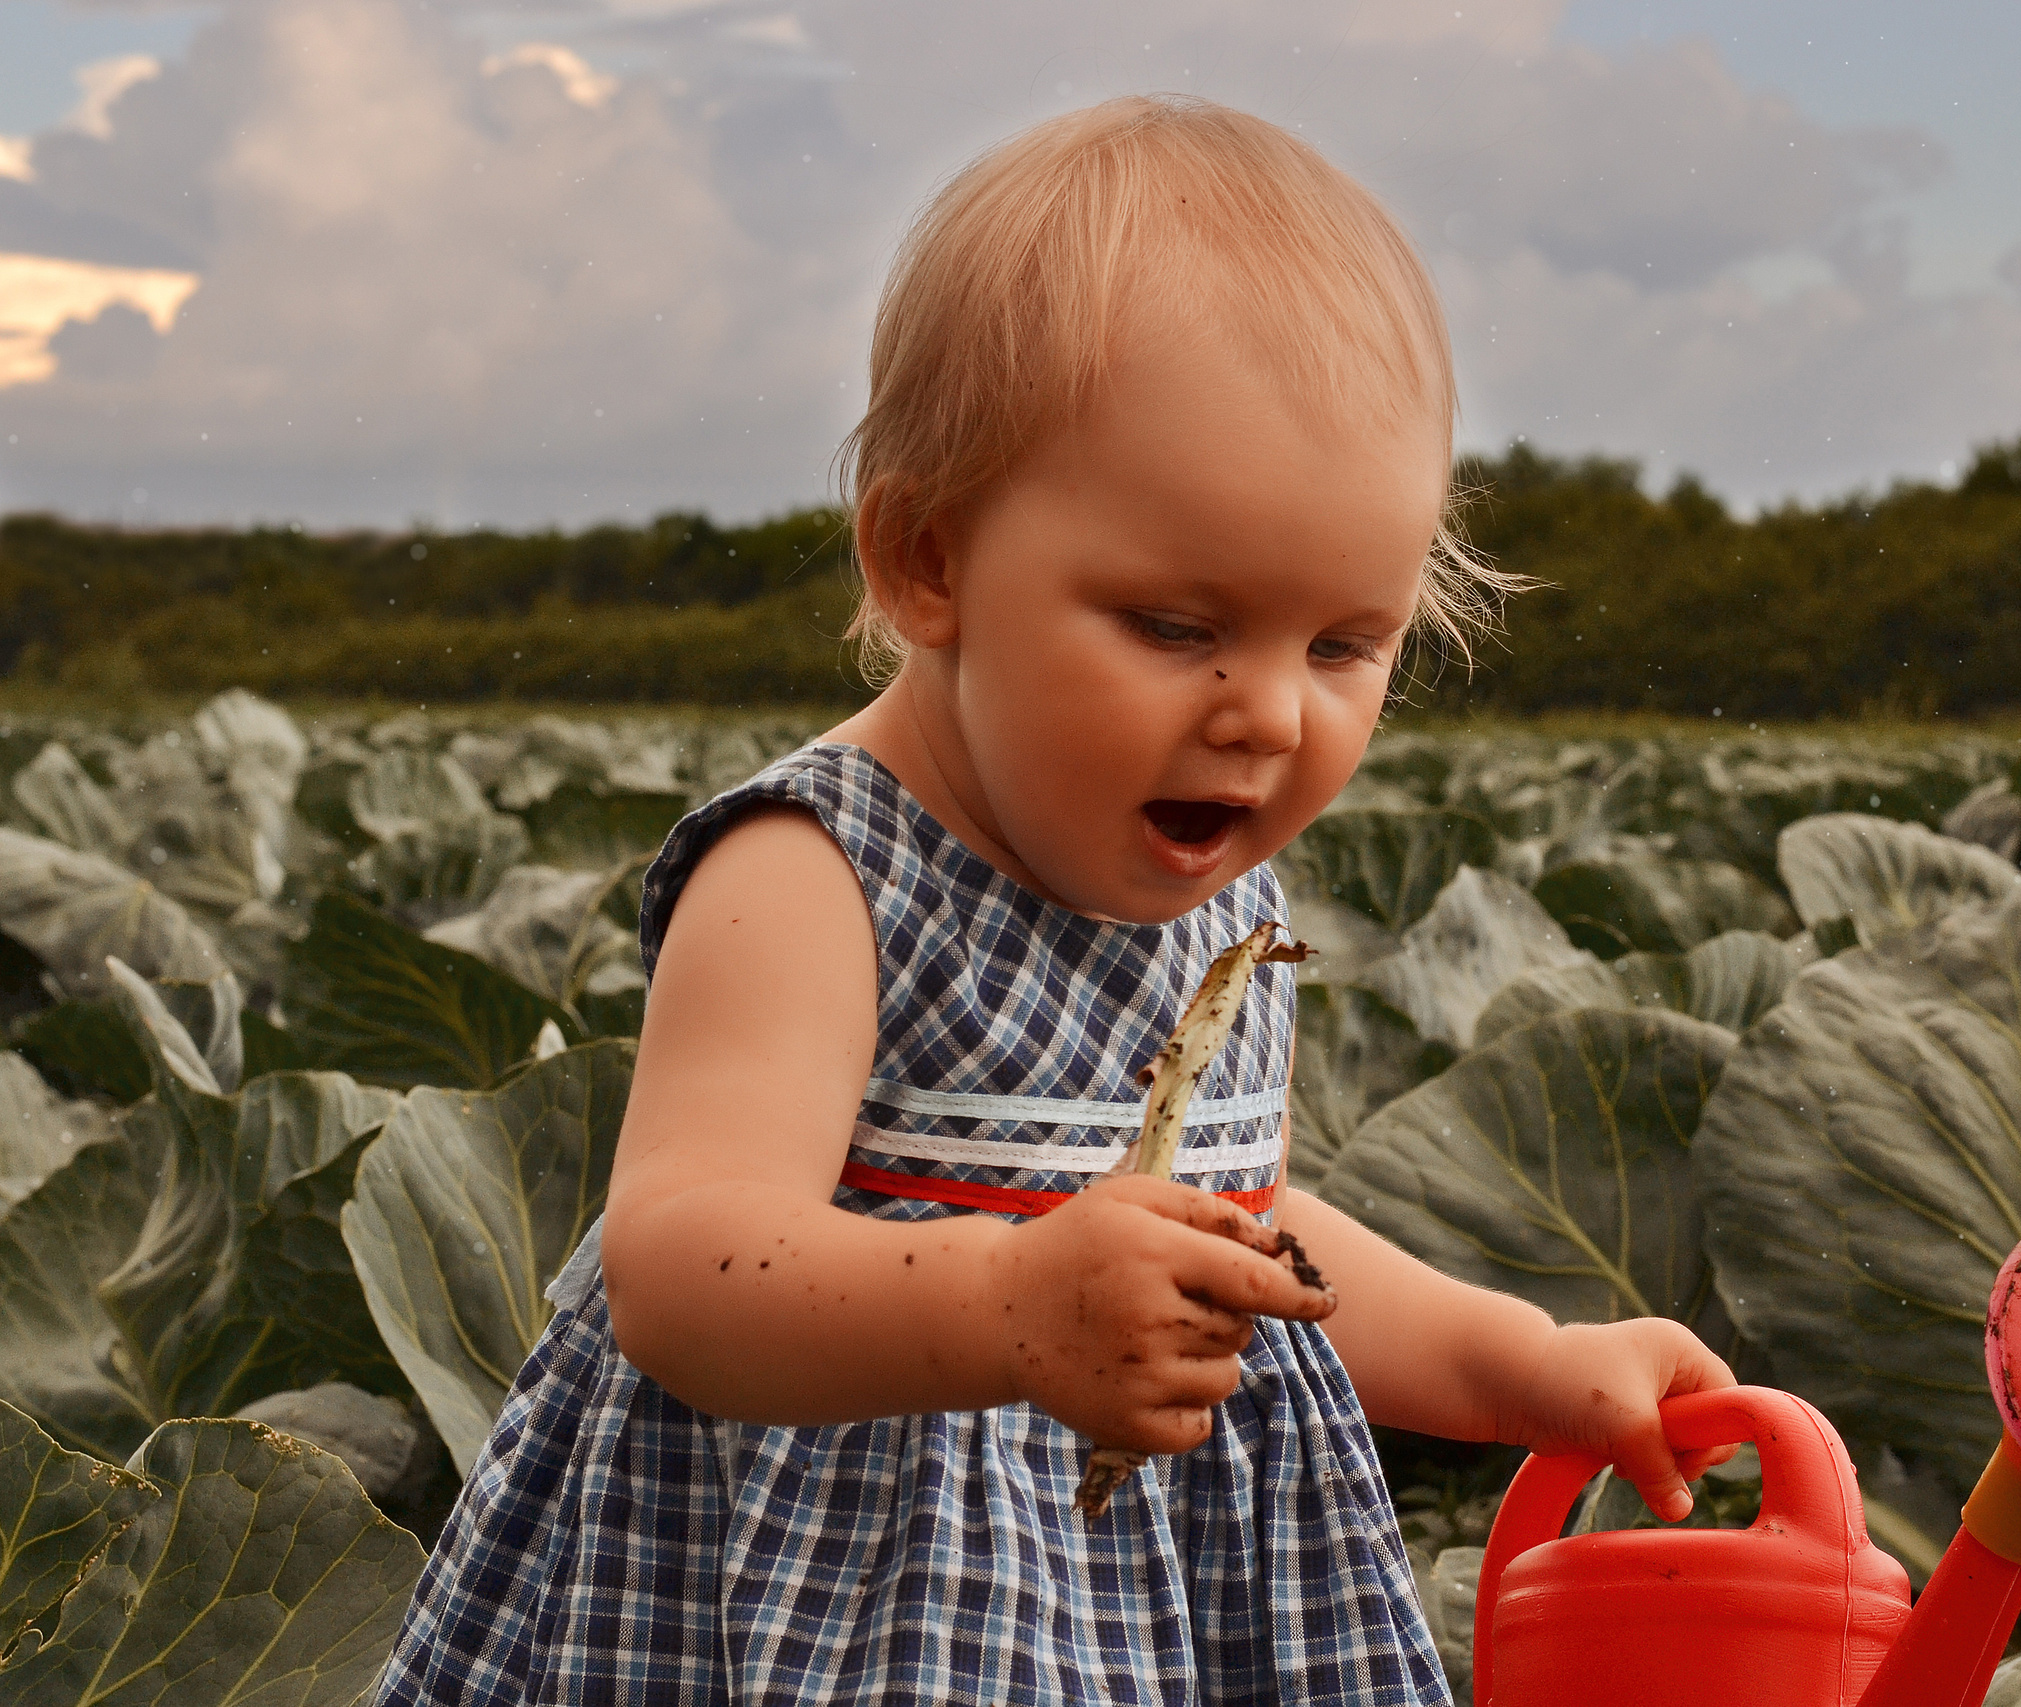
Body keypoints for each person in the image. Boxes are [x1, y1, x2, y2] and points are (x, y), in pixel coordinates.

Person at [372, 93, 1731, 1706]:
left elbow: (1251, 1243)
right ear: (924, 561)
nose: (1268, 715)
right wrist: (1007, 1302)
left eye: (1343, 647)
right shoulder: (812, 879)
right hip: (823, 1603)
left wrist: (1537, 1368)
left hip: (1158, 1611)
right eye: (1175, 625)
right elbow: (682, 1273)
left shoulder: (1229, 912)